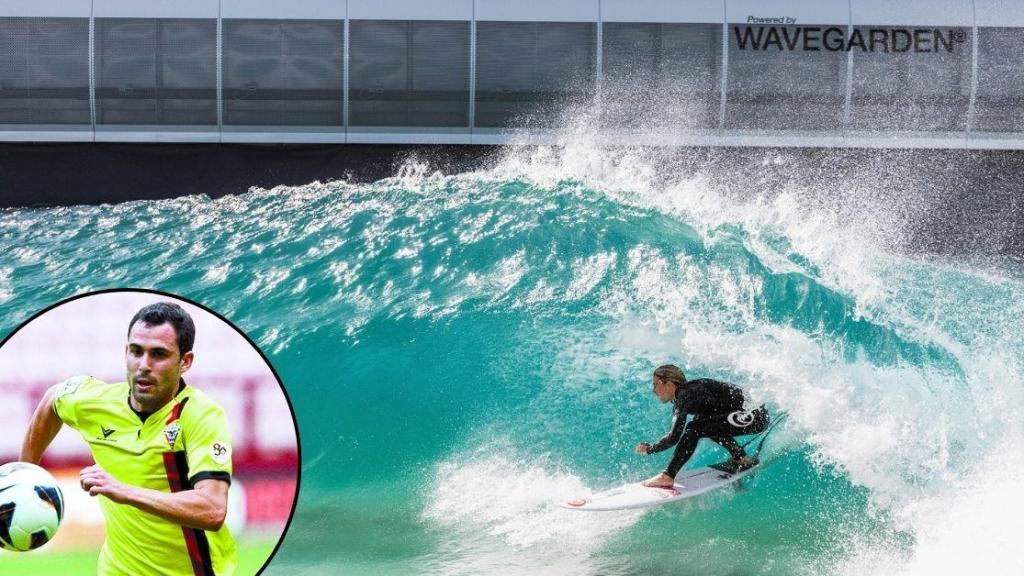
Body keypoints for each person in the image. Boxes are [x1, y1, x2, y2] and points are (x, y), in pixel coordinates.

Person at [21, 302, 238, 576]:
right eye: (136, 352)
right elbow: (53, 401)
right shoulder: (95, 401)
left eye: (158, 354)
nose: (144, 366)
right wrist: (26, 475)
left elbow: (212, 510)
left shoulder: (201, 415)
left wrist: (123, 491)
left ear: (185, 361)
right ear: (126, 352)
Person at [635, 364, 769, 489]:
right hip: (753, 412)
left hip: (755, 415)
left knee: (695, 428)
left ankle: (668, 476)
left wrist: (650, 449)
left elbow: (674, 437)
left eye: (656, 384)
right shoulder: (690, 393)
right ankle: (741, 458)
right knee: (702, 422)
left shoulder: (685, 396)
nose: (654, 390)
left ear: (669, 384)